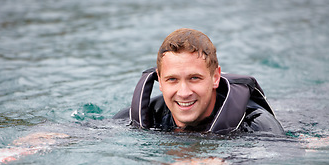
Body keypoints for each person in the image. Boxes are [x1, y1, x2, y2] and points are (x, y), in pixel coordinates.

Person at [114, 28, 284, 135]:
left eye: (194, 78)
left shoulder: (258, 126)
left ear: (215, 77)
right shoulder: (138, 118)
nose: (184, 92)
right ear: (160, 81)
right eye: (172, 79)